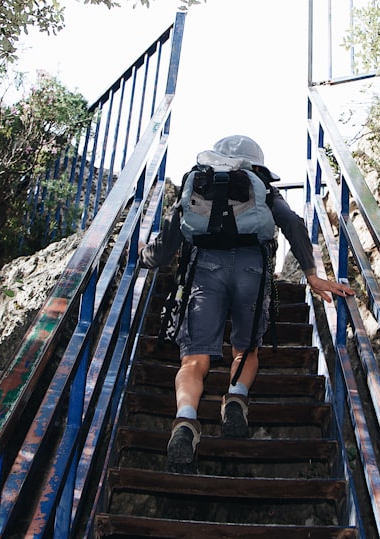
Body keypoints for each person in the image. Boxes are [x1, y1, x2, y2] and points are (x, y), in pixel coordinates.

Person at [138, 134, 354, 473]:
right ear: (258, 165)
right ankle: (237, 396)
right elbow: (293, 224)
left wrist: (143, 257)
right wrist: (311, 274)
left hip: (205, 266)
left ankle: (185, 419)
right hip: (252, 267)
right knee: (245, 348)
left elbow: (169, 238)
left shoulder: (202, 182)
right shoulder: (264, 187)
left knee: (194, 358)